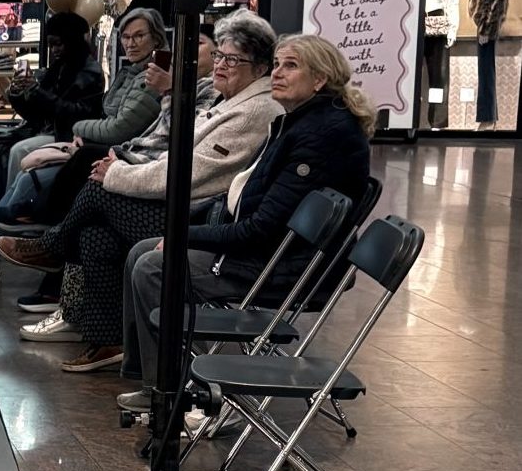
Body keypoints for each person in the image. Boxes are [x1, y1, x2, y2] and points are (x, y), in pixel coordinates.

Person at [0, 11, 281, 371]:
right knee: (95, 234)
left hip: (195, 218)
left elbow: (189, 173)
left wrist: (119, 172)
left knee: (96, 187)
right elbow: (160, 144)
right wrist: (121, 163)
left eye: (232, 59)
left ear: (260, 67)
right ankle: (107, 338)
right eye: (220, 55)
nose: (221, 64)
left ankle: (51, 248)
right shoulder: (224, 99)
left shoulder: (251, 110)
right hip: (173, 197)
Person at [115, 33, 375, 395]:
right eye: (277, 64)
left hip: (287, 267)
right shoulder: (301, 121)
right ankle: (153, 381)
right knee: (141, 251)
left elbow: (261, 230)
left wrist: (182, 236)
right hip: (272, 253)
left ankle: (178, 393)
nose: (277, 73)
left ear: (319, 79)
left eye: (291, 66)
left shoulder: (320, 135)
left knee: (153, 267)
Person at [0, 12, 102, 281]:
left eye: (59, 43)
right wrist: (19, 93)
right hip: (54, 134)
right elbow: (38, 113)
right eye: (51, 44)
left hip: (70, 139)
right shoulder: (61, 68)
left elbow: (75, 114)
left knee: (18, 154)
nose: (54, 50)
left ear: (73, 41)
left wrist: (37, 93)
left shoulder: (89, 72)